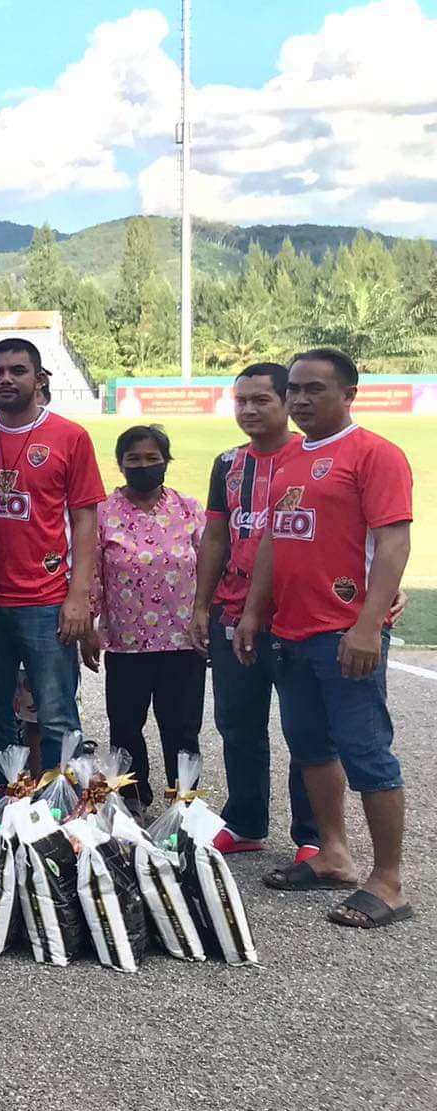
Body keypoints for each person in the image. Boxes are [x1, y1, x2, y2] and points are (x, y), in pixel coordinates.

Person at [238, 348, 415, 930]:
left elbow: (392, 545)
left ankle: (387, 882)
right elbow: (270, 543)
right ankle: (334, 854)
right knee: (310, 747)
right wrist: (252, 612)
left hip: (344, 634)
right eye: (295, 390)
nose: (302, 400)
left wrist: (368, 625)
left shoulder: (374, 454)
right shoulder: (289, 459)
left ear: (349, 394)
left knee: (367, 752)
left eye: (316, 389)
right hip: (289, 632)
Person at [188, 363, 319, 860]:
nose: (248, 409)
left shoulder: (310, 458)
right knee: (237, 722)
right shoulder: (227, 463)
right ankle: (245, 821)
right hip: (232, 609)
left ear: (286, 402)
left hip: (296, 617)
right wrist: (202, 604)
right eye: (241, 400)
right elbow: (217, 535)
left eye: (261, 400)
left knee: (305, 728)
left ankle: (312, 835)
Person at [0, 337, 102, 796]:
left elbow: (86, 518)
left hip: (46, 600)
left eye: (17, 370)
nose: (6, 379)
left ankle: (61, 807)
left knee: (56, 712)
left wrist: (78, 596)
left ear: (39, 379)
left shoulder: (70, 437)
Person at [84, 425, 205, 808]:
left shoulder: (188, 509)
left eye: (152, 458)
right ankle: (132, 796)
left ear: (166, 461)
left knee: (182, 727)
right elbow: (90, 574)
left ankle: (183, 799)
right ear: (120, 464)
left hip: (182, 640)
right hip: (126, 642)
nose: (143, 466)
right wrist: (88, 626)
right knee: (124, 725)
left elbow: (212, 564)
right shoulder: (103, 513)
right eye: (133, 459)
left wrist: (210, 619)